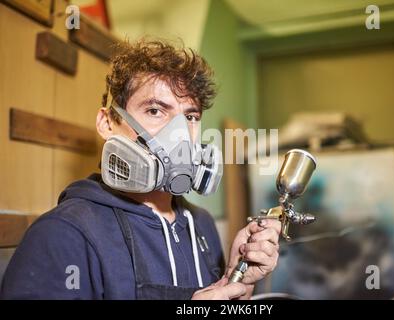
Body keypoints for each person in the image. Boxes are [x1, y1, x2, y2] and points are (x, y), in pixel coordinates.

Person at [0, 39, 281, 300]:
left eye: (191, 116)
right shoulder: (63, 233)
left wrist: (237, 278)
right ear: (107, 123)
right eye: (156, 111)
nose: (180, 134)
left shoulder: (201, 223)